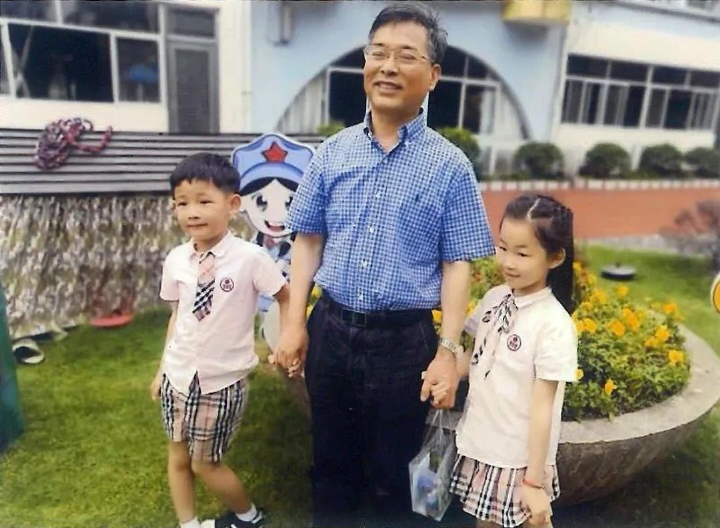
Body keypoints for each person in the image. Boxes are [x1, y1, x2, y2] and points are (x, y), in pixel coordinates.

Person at [274, 3, 495, 526]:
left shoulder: (450, 166)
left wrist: (447, 353)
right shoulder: (332, 153)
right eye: (378, 53)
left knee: (391, 478)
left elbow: (456, 264)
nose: (388, 67)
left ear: (433, 75)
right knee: (330, 466)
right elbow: (307, 241)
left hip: (402, 345)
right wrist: (293, 323)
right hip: (331, 330)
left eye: (406, 56)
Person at [150, 153, 289, 528]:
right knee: (178, 457)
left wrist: (288, 339)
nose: (192, 212)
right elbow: (178, 316)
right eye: (182, 203)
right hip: (178, 376)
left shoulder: (250, 258)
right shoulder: (176, 259)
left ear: (232, 204)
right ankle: (189, 524)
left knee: (205, 463)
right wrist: (162, 370)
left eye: (203, 201)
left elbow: (285, 296)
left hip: (221, 382)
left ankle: (249, 517)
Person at [438, 194, 578, 528]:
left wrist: (532, 482)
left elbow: (543, 408)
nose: (508, 262)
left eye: (522, 254)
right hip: (482, 442)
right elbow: (478, 354)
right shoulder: (495, 298)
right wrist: (447, 375)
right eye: (502, 248)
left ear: (556, 257)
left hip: (518, 459)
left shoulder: (553, 324)